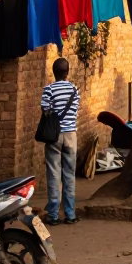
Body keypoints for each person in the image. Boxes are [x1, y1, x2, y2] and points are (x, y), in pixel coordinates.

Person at [41, 56, 81, 226]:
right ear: (67, 72)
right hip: (71, 135)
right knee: (69, 175)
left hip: (54, 136)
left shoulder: (49, 89)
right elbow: (75, 109)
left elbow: (45, 109)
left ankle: (53, 215)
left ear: (54, 72)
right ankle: (70, 214)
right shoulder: (74, 90)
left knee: (53, 174)